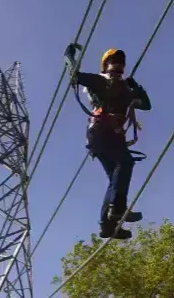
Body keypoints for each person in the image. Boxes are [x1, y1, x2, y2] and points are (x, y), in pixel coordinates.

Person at [64, 43, 152, 239]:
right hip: (102, 131)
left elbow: (146, 105)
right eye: (113, 61)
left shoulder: (127, 89)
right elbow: (75, 77)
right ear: (106, 65)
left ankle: (107, 225)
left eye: (120, 62)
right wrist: (70, 58)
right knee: (125, 163)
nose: (117, 64)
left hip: (112, 136)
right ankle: (118, 209)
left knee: (115, 179)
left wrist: (136, 87)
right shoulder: (99, 81)